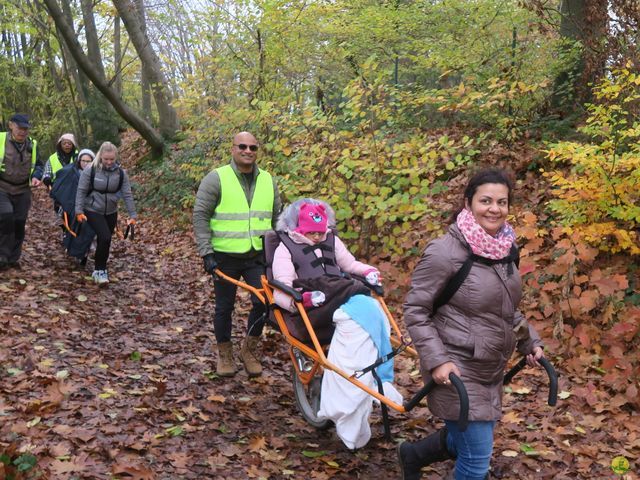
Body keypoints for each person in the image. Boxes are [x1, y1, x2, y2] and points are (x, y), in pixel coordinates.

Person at [398, 168, 545, 480]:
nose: (494, 209)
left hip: (491, 366)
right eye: (486, 200)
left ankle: (412, 456)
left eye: (502, 202)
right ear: (468, 203)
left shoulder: (506, 249)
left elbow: (506, 310)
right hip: (457, 367)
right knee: (477, 459)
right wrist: (437, 360)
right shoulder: (444, 252)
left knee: (467, 439)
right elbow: (416, 310)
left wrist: (529, 341)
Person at [271, 198, 401, 450]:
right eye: (311, 232)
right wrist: (302, 300)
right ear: (298, 228)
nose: (318, 237)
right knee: (356, 308)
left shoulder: (332, 239)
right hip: (313, 304)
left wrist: (368, 272)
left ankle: (373, 374)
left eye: (321, 232)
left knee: (371, 309)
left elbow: (350, 265)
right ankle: (348, 391)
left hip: (339, 295)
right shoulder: (285, 248)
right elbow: (281, 288)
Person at [193, 131, 281, 378]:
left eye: (253, 147)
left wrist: (280, 251)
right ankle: (225, 354)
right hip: (224, 256)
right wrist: (206, 252)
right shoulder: (216, 178)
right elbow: (200, 215)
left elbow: (277, 218)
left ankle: (249, 350)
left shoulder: (268, 180)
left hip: (257, 255)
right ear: (233, 149)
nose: (248, 151)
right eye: (242, 146)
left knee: (263, 302)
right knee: (224, 307)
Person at [74, 142, 136, 285]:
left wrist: (132, 216)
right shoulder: (90, 170)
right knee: (105, 237)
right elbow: (81, 191)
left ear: (115, 158)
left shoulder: (121, 173)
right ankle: (101, 271)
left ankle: (98, 269)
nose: (108, 162)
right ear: (100, 156)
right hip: (93, 209)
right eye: (106, 159)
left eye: (111, 159)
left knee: (105, 241)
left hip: (111, 210)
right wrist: (78, 211)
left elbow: (127, 194)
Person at [0, 113, 43, 270]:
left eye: (26, 129)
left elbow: (39, 165)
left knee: (19, 222)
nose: (23, 132)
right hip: (2, 187)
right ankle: (2, 255)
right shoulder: (1, 140)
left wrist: (37, 176)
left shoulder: (33, 144)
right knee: (6, 216)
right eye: (20, 128)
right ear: (11, 125)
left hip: (23, 189)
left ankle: (13, 257)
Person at [51, 149, 96, 266]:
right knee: (75, 228)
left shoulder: (97, 174)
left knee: (89, 229)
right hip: (71, 206)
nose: (85, 163)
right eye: (83, 161)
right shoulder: (70, 172)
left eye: (89, 161)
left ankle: (85, 252)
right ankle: (76, 251)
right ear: (79, 160)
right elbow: (61, 187)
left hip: (91, 206)